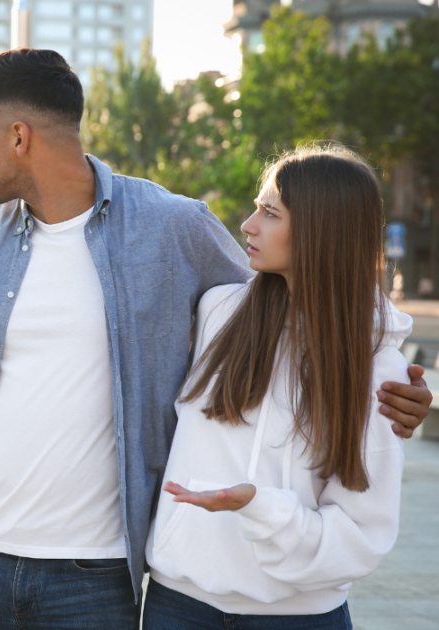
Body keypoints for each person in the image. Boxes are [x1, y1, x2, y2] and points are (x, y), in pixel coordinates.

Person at [0, 49, 431, 629]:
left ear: (20, 137)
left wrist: (383, 373)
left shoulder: (173, 226)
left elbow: (300, 296)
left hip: (97, 578)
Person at [143, 145, 409, 628]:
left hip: (295, 617)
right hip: (176, 605)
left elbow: (364, 534)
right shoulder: (217, 311)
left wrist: (261, 508)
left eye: (269, 213)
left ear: (321, 231)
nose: (247, 224)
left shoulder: (375, 365)